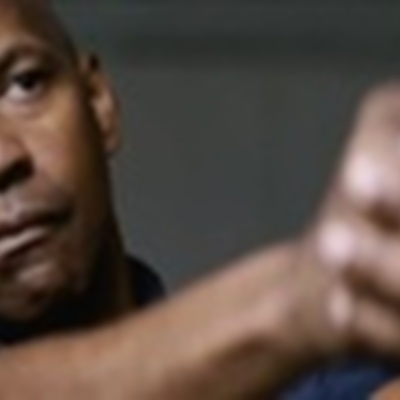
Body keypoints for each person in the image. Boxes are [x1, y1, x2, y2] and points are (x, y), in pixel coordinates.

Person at [1, 0, 400, 398]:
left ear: (97, 101)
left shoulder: (326, 382)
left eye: (25, 84)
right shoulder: (306, 314)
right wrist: (309, 295)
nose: (4, 157)